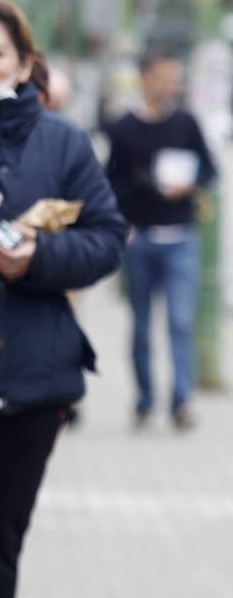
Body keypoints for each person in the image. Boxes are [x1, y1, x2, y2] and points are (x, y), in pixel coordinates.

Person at [0, 0, 127, 598]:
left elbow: (108, 239)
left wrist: (38, 259)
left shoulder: (62, 141)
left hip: (36, 380)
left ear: (22, 66)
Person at [106, 52, 216, 430]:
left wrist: (191, 183)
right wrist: (137, 190)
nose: (172, 85)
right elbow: (110, 183)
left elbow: (210, 169)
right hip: (140, 239)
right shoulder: (123, 128)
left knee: (180, 321)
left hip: (181, 237)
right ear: (144, 77)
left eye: (176, 79)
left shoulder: (187, 123)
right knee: (140, 324)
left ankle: (181, 401)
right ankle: (144, 399)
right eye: (165, 77)